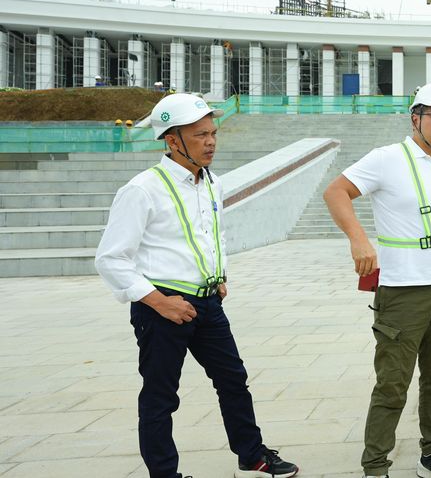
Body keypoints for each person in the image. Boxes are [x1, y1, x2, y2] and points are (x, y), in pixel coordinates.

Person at [95, 93, 299, 478]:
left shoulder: (211, 182)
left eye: (213, 133)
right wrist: (158, 301)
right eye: (200, 134)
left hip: (207, 304)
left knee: (233, 380)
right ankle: (164, 474)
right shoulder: (142, 190)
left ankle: (251, 453)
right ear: (172, 140)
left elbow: (208, 235)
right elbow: (110, 258)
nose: (211, 142)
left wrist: (218, 275)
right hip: (163, 307)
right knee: (160, 397)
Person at [324, 82, 431, 478]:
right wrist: (359, 240)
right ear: (416, 117)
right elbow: (336, 192)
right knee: (393, 384)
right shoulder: (387, 158)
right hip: (403, 292)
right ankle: (375, 466)